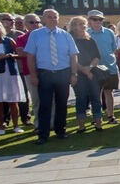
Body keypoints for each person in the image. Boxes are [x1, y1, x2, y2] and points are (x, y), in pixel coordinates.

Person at [23, 9, 79, 144]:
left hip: (63, 73)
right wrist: (33, 75)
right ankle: (43, 134)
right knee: (45, 105)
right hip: (45, 74)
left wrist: (73, 74)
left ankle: (61, 131)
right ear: (44, 19)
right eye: (50, 17)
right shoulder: (36, 35)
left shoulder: (65, 35)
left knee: (62, 104)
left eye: (55, 17)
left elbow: (73, 55)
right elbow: (30, 56)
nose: (53, 19)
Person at [68, 16, 104, 132]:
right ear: (73, 26)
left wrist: (89, 68)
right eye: (79, 24)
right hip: (77, 72)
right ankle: (81, 126)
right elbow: (70, 57)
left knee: (95, 97)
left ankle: (98, 123)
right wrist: (83, 70)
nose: (83, 26)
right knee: (81, 98)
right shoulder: (70, 40)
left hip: (92, 73)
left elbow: (97, 57)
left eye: (84, 24)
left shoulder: (90, 40)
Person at [87, 11, 119, 124]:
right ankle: (98, 117)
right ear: (89, 20)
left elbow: (114, 49)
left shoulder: (109, 32)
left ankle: (111, 116)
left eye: (100, 19)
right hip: (94, 69)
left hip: (110, 67)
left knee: (109, 92)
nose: (98, 22)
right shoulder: (86, 33)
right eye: (95, 19)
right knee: (96, 94)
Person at [14, 13, 42, 127]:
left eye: (37, 22)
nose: (35, 24)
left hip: (47, 71)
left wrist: (29, 52)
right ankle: (39, 124)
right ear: (25, 24)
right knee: (36, 100)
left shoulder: (46, 36)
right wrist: (38, 52)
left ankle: (52, 123)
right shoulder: (21, 38)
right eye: (32, 22)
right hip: (29, 73)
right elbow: (21, 53)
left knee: (52, 99)